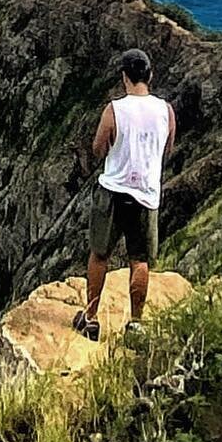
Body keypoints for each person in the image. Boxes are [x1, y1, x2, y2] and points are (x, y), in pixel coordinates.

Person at [75, 48, 174, 341]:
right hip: (146, 195)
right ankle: (136, 323)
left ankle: (91, 318)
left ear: (124, 77)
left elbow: (98, 148)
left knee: (99, 254)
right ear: (150, 75)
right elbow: (167, 148)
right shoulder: (166, 111)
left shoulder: (115, 110)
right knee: (139, 259)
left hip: (113, 191)